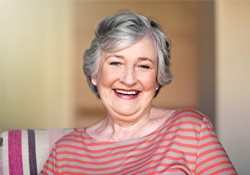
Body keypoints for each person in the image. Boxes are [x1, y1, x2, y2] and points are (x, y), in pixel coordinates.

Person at [40, 11, 237, 174]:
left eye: (143, 66)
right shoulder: (65, 152)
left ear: (158, 79)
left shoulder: (190, 130)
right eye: (116, 63)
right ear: (95, 74)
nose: (128, 79)